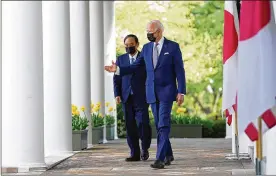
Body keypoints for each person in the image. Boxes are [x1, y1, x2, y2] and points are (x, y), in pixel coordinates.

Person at [105, 20, 186, 169]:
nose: (148, 34)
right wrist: (117, 70)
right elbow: (135, 66)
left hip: (167, 91)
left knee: (163, 124)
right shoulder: (147, 48)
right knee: (158, 124)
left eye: (151, 32)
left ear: (159, 31)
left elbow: (180, 70)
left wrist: (181, 91)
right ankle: (168, 154)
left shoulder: (173, 47)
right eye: (147, 31)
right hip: (151, 92)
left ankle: (160, 159)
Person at [113, 34, 152, 162]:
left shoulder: (144, 58)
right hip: (126, 97)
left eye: (131, 44)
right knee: (130, 127)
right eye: (126, 45)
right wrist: (117, 94)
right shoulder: (121, 59)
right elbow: (117, 79)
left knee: (143, 124)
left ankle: (144, 148)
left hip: (141, 97)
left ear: (137, 44)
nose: (129, 47)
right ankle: (134, 153)